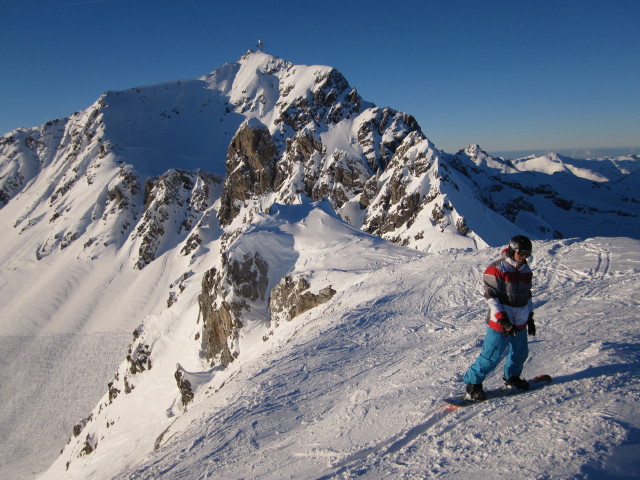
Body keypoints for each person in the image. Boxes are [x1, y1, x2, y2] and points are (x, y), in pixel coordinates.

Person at [463, 235, 537, 401]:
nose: (525, 257)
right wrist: (503, 320)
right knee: (491, 356)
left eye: (528, 254)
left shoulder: (526, 271)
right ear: (513, 250)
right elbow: (491, 298)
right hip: (500, 323)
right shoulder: (496, 269)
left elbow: (527, 296)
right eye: (522, 253)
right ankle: (473, 384)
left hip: (520, 322)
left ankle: (512, 378)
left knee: (520, 353)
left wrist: (530, 317)